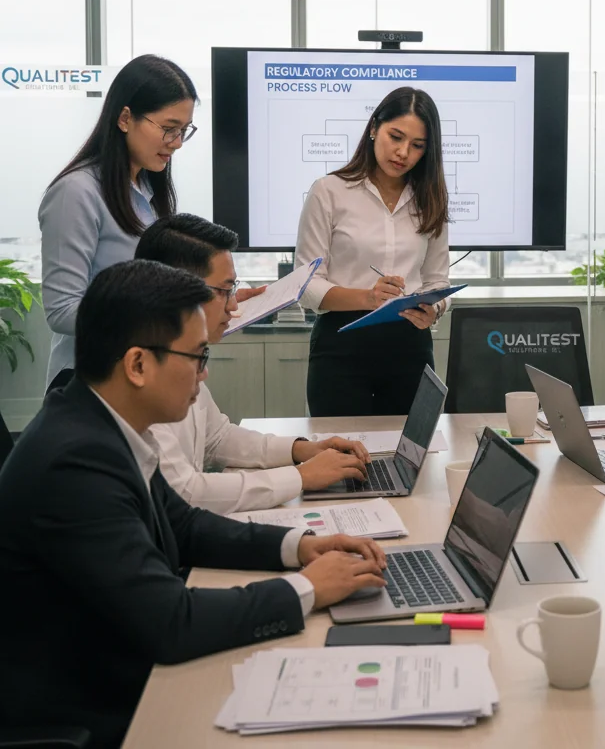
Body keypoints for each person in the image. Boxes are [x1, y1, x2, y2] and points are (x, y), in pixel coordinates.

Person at [0, 260, 387, 747]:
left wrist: (300, 546)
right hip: (93, 712)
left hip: (128, 670)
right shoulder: (75, 462)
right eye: (197, 357)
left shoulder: (97, 422)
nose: (203, 377)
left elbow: (184, 527)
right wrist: (306, 590)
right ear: (138, 364)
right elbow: (171, 623)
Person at [136, 213, 373, 512]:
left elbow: (217, 438)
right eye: (225, 291)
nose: (235, 305)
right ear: (175, 291)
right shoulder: (144, 373)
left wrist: (303, 450)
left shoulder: (179, 354)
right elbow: (185, 492)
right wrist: (300, 477)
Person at [38, 53, 199, 392]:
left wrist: (208, 297)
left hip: (137, 374)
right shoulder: (76, 192)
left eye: (184, 130)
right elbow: (62, 310)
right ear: (125, 118)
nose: (178, 143)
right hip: (88, 382)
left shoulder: (145, 190)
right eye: (169, 129)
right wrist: (153, 315)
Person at [295, 86, 451, 416]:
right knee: (342, 460)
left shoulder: (431, 199)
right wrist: (368, 298)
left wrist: (435, 309)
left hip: (411, 347)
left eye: (417, 145)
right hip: (341, 348)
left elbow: (437, 281)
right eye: (396, 137)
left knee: (410, 458)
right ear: (373, 128)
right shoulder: (329, 191)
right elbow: (306, 285)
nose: (403, 152)